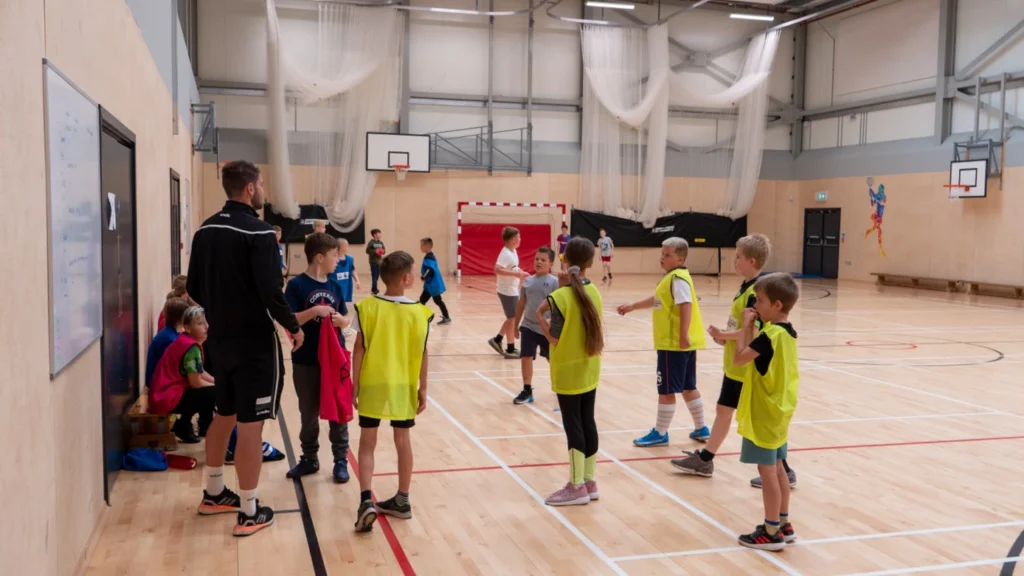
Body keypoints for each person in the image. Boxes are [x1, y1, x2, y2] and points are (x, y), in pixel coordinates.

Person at [187, 160, 304, 537]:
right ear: (251, 188)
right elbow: (271, 291)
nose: (265, 189)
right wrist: (291, 325)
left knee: (224, 415)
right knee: (250, 427)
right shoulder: (259, 232)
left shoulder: (204, 230)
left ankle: (215, 492)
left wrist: (220, 314)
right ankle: (251, 511)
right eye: (263, 184)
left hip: (218, 341)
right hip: (253, 343)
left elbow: (193, 287)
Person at [671, 234, 797, 488]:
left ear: (751, 261)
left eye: (738, 257)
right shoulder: (747, 287)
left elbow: (753, 332)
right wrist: (726, 338)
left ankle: (783, 470)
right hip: (734, 363)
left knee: (749, 417)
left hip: (745, 368)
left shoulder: (757, 293)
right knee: (724, 410)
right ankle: (706, 459)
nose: (734, 260)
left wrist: (724, 335)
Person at [351, 252, 433, 532]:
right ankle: (402, 499)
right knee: (403, 440)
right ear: (406, 278)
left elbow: (358, 348)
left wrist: (355, 384)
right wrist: (424, 388)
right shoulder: (420, 312)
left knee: (366, 443)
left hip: (373, 383)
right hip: (404, 385)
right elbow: (423, 353)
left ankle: (365, 501)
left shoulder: (367, 307)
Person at [731, 273, 800, 551]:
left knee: (768, 471)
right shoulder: (787, 332)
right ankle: (784, 522)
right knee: (780, 467)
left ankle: (771, 530)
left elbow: (739, 358)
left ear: (778, 305)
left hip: (764, 413)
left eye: (760, 301)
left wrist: (746, 326)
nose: (756, 305)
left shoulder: (768, 337)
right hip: (780, 410)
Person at [618, 238, 709, 447]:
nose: (662, 258)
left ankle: (660, 432)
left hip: (673, 344)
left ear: (680, 259)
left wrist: (683, 335)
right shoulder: (673, 278)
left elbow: (686, 305)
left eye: (667, 255)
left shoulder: (677, 278)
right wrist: (633, 306)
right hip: (681, 344)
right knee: (688, 386)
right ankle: (701, 427)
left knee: (666, 389)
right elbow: (657, 299)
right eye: (662, 253)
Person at [535, 238, 603, 506]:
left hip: (567, 370)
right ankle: (589, 481)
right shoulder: (595, 291)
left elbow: (553, 337)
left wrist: (543, 321)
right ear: (590, 263)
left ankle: (576, 487)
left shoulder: (559, 296)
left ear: (563, 261)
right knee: (588, 421)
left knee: (572, 425)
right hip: (590, 367)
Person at [284, 232, 352, 483]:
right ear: (320, 257)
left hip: (334, 360)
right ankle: (309, 458)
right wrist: (314, 311)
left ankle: (340, 460)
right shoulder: (296, 285)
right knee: (308, 412)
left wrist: (342, 321)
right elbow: (288, 319)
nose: (339, 260)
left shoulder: (335, 285)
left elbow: (346, 317)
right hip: (306, 359)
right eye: (335, 256)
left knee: (337, 410)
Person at [148, 306, 216, 444]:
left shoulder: (185, 341)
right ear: (187, 328)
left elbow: (200, 371)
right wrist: (219, 387)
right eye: (200, 323)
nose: (206, 327)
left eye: (206, 322)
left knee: (215, 389)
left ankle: (184, 424)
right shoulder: (191, 348)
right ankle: (185, 424)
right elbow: (196, 383)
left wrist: (218, 381)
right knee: (215, 393)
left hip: (162, 394)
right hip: (165, 398)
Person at [512, 247, 559, 405]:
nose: (538, 262)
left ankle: (561, 385)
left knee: (553, 359)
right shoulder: (528, 281)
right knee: (526, 356)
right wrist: (516, 324)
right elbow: (521, 303)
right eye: (536, 259)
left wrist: (552, 322)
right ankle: (527, 389)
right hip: (528, 326)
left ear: (550, 263)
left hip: (547, 330)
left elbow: (558, 306)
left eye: (543, 260)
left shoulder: (554, 282)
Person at [488, 226, 529, 359]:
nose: (520, 239)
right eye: (518, 237)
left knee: (511, 317)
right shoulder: (505, 253)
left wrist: (521, 273)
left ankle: (498, 339)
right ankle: (510, 348)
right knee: (513, 319)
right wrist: (516, 274)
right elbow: (497, 269)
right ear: (512, 239)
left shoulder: (513, 251)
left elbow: (513, 268)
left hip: (512, 289)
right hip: (506, 290)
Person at [418, 238, 451, 325]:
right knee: (422, 300)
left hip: (433, 284)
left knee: (438, 301)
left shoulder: (430, 257)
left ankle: (446, 317)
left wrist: (423, 276)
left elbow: (430, 270)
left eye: (421, 245)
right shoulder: (429, 256)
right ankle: (420, 317)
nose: (420, 247)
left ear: (426, 247)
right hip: (429, 284)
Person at [366, 228, 386, 295]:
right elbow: (367, 251)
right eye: (378, 233)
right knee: (374, 275)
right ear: (374, 235)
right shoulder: (371, 243)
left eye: (380, 233)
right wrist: (375, 251)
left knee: (377, 275)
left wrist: (382, 251)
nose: (379, 235)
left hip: (379, 262)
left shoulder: (381, 243)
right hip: (373, 261)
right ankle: (374, 289)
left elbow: (384, 250)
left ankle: (373, 287)